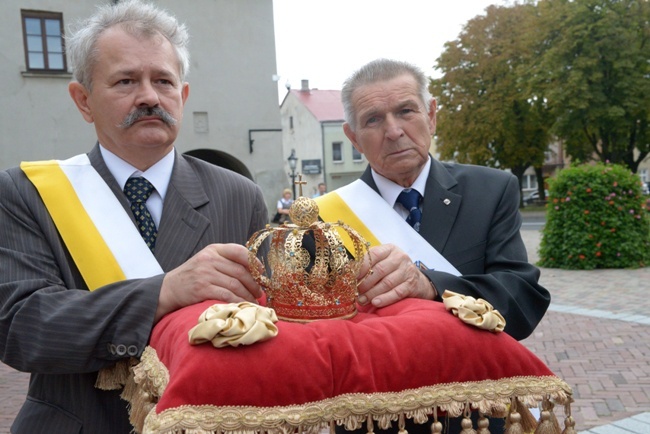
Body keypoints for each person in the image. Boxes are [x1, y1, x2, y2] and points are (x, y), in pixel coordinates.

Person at [0, 1, 267, 433]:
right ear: (83, 100)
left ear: (182, 96)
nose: (148, 96)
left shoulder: (239, 195)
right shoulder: (27, 193)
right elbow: (22, 327)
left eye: (163, 80)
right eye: (126, 81)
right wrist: (164, 291)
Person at [323, 58, 551, 434]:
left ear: (431, 116)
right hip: (374, 418)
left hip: (475, 415)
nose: (394, 130)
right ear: (352, 136)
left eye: (406, 111)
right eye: (373, 120)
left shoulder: (491, 190)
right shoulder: (326, 218)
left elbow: (522, 302)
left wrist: (431, 284)